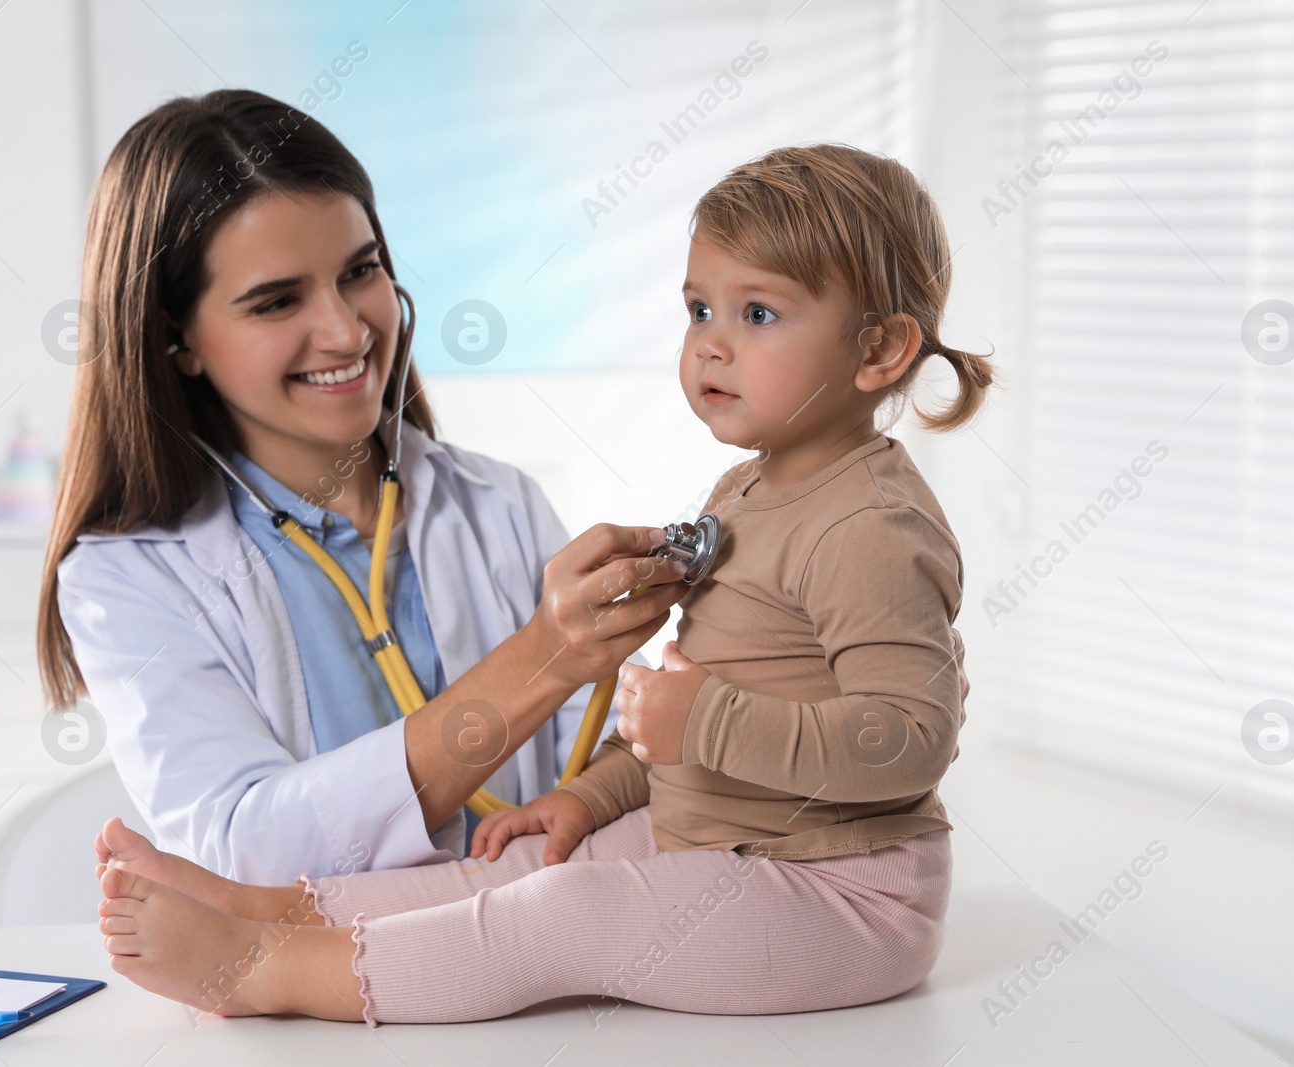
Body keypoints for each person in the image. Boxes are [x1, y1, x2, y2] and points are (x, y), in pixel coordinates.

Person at [94, 143, 991, 1024]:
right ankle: (269, 914)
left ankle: (272, 971)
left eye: (756, 315)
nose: (710, 347)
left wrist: (696, 717)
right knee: (525, 868)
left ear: (879, 350)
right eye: (697, 310)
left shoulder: (871, 526)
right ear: (177, 339)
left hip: (838, 886)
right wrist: (583, 793)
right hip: (725, 843)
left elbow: (904, 737)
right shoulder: (748, 495)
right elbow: (670, 734)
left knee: (560, 909)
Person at [38, 89, 688, 885]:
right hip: (317, 1001)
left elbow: (620, 768)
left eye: (361, 272)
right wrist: (541, 659)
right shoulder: (127, 574)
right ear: (177, 338)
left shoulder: (499, 505)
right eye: (277, 301)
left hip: (537, 981)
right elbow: (249, 848)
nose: (346, 331)